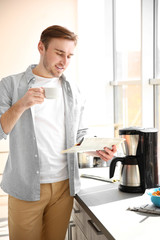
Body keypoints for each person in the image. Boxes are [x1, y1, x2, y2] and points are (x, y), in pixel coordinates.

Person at [0, 25, 117, 240]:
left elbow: (78, 136)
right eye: (59, 53)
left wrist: (97, 150)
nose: (64, 61)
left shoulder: (74, 89)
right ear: (41, 48)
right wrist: (21, 105)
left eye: (70, 56)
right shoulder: (10, 84)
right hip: (26, 187)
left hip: (64, 187)